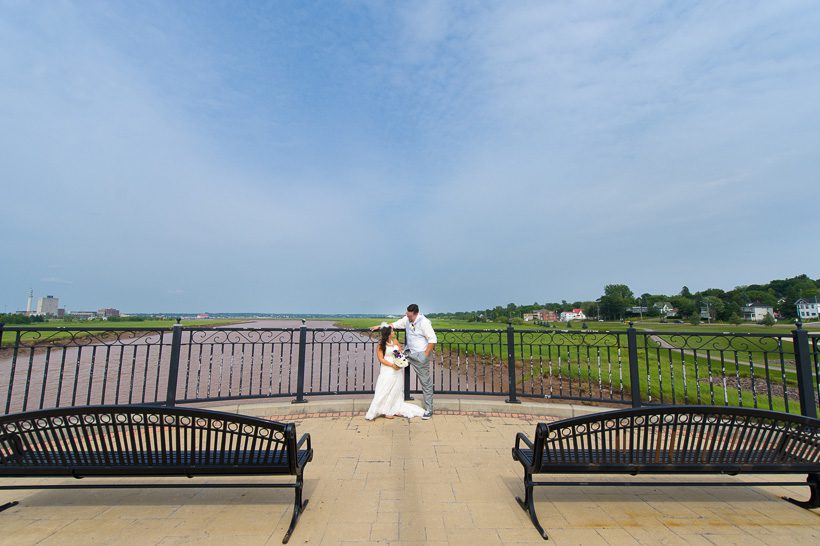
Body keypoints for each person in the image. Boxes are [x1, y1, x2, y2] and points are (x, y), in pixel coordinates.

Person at [371, 304, 436, 419]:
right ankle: (390, 406)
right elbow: (394, 325)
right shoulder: (406, 319)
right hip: (407, 353)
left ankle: (429, 409)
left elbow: (432, 339)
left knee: (425, 382)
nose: (407, 317)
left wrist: (425, 356)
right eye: (407, 314)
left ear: (416, 313)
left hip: (420, 355)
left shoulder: (424, 322)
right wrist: (380, 327)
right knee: (393, 374)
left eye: (410, 315)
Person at [365, 324, 426, 421]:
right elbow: (380, 358)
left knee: (395, 389)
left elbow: (400, 350)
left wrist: (399, 361)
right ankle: (384, 410)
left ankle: (392, 408)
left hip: (397, 368)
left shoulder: (395, 341)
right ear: (388, 334)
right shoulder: (381, 344)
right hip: (387, 368)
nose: (394, 332)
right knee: (386, 388)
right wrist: (392, 365)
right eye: (392, 332)